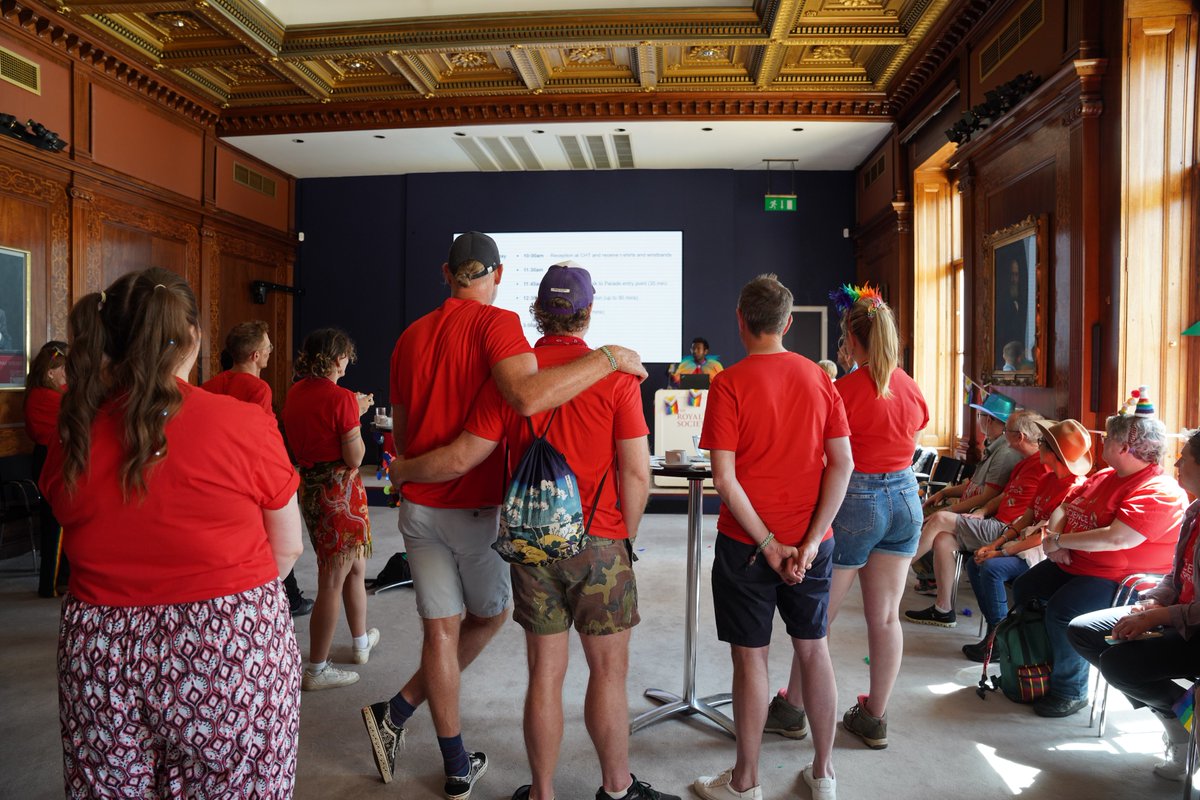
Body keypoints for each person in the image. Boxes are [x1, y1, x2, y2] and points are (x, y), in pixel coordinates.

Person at [363, 233, 646, 798]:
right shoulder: (590, 371)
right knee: (605, 672)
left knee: (532, 668)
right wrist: (623, 539)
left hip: (492, 530)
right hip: (571, 532)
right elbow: (634, 473)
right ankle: (616, 788)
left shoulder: (453, 353)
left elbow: (427, 425)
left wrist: (402, 471)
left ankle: (521, 785)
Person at [40, 267, 304, 797]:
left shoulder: (74, 434)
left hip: (102, 650)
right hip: (230, 644)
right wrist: (230, 605)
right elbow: (289, 544)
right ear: (194, 339)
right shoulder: (243, 423)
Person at [692, 274, 852, 800]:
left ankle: (746, 781)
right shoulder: (819, 379)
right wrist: (807, 544)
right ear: (788, 323)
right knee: (814, 651)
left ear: (741, 322)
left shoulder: (729, 384)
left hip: (745, 545)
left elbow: (724, 479)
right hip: (813, 544)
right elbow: (842, 464)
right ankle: (824, 774)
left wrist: (769, 545)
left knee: (751, 659)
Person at [774, 283, 926, 755]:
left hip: (856, 500)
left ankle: (793, 708)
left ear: (852, 341)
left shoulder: (841, 390)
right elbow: (914, 428)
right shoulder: (911, 386)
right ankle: (875, 717)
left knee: (818, 616)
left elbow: (822, 450)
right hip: (905, 498)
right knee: (885, 617)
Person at [1012, 404, 1187, 717]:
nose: (1102, 442)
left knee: (1063, 611)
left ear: (1124, 446)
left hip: (1118, 579)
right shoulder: (1107, 474)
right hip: (1072, 561)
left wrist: (1059, 541)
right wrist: (1055, 539)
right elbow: (1065, 507)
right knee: (1025, 588)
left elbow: (1118, 537)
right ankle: (1038, 666)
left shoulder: (1158, 489)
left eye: (1108, 438)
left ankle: (1071, 690)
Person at [1068, 428, 1200, 781]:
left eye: (1185, 456)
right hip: (1176, 615)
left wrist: (1158, 615)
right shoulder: (1195, 510)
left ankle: (1184, 728)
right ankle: (1181, 716)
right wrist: (1150, 603)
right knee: (1084, 631)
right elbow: (1174, 577)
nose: (1177, 461)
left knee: (1120, 664)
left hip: (1196, 630)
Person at [282, 328, 378, 691]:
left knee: (355, 567)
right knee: (331, 580)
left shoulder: (296, 392)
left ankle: (359, 643)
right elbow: (355, 457)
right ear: (337, 358)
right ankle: (317, 668)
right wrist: (356, 412)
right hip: (339, 494)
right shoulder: (340, 399)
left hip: (311, 488)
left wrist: (352, 408)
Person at [203, 320, 315, 617]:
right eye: (267, 346)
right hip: (248, 473)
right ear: (255, 355)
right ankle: (284, 597)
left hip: (215, 472)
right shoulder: (258, 389)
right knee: (276, 537)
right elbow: (264, 438)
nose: (270, 350)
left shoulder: (210, 385)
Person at [959, 418, 1092, 660]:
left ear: (1055, 453)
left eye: (1042, 443)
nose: (1037, 446)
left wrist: (999, 554)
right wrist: (994, 544)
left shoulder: (1074, 489)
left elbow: (1044, 536)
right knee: (974, 563)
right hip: (1024, 543)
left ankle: (1001, 638)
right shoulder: (1047, 479)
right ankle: (995, 630)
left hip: (1042, 551)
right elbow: (1024, 520)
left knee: (991, 569)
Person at [904, 409, 1046, 629]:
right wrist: (982, 511)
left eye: (1007, 429)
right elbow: (1001, 496)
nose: (1003, 433)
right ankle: (943, 609)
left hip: (1006, 531)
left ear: (1020, 437)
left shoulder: (1042, 465)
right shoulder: (1023, 463)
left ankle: (898, 571)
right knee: (943, 539)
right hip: (995, 522)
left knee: (941, 518)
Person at [912, 390, 1022, 595]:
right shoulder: (993, 446)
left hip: (978, 512)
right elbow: (974, 483)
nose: (979, 420)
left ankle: (925, 575)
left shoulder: (1005, 453)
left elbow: (988, 495)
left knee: (925, 519)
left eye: (981, 415)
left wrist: (951, 509)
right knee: (922, 515)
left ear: (989, 419)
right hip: (969, 506)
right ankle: (931, 578)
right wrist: (945, 493)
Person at [24, 340, 68, 598]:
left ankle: (58, 580)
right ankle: (51, 583)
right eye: (62, 369)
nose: (66, 373)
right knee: (55, 525)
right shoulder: (46, 397)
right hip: (50, 458)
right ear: (50, 372)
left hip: (51, 456)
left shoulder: (50, 394)